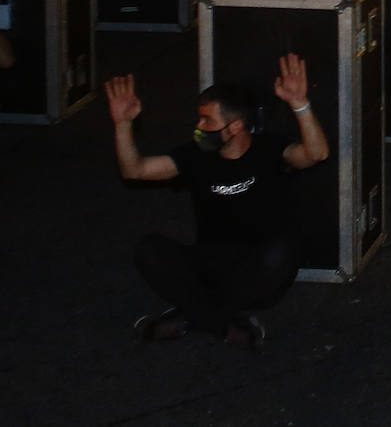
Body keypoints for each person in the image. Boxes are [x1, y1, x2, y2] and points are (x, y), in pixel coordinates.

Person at [103, 55, 329, 347]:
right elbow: (134, 170)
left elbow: (317, 153)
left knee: (283, 252)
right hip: (210, 262)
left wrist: (300, 104)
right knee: (149, 249)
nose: (198, 126)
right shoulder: (195, 156)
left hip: (257, 268)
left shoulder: (270, 149)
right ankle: (225, 326)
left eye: (207, 120)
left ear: (234, 127)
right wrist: (122, 125)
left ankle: (189, 315)